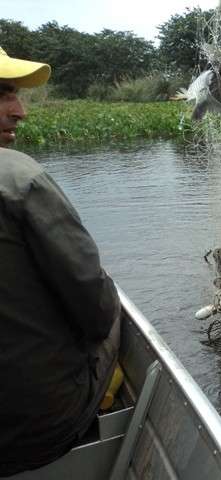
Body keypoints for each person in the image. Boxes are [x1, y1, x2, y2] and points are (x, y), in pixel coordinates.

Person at [0, 47, 121, 476]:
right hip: (31, 435)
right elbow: (97, 312)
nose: (19, 112)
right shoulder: (19, 178)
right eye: (2, 94)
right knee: (114, 307)